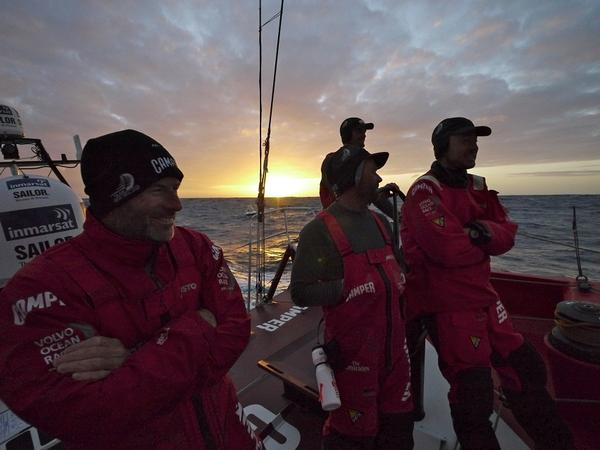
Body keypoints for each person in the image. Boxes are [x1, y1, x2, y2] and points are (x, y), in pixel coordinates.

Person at [0, 129, 262, 450]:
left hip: (229, 430)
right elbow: (81, 413)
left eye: (176, 189)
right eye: (159, 190)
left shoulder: (194, 247)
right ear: (115, 194)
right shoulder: (41, 287)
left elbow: (235, 329)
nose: (176, 204)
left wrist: (133, 359)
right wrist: (197, 327)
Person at [400, 117, 573, 449]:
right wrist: (482, 237)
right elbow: (447, 249)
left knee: (527, 369)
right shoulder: (425, 190)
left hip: (485, 298)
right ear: (443, 145)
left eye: (475, 140)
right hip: (449, 306)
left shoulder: (476, 186)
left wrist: (478, 232)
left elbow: (508, 233)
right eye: (465, 139)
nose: (473, 145)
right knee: (473, 394)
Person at [291, 146, 414, 449]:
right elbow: (300, 291)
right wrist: (348, 287)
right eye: (373, 170)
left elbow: (398, 268)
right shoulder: (318, 231)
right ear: (355, 176)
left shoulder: (381, 223)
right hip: (353, 362)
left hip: (397, 357)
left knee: (399, 434)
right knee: (351, 438)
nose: (379, 177)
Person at [320, 117, 401, 217]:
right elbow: (348, 194)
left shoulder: (329, 160)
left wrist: (378, 192)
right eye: (359, 131)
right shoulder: (362, 158)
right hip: (345, 223)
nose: (364, 135)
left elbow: (350, 192)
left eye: (364, 131)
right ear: (347, 134)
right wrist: (398, 217)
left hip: (333, 220)